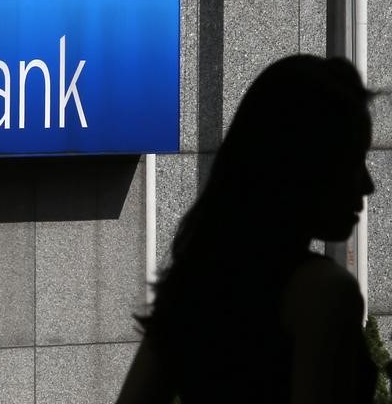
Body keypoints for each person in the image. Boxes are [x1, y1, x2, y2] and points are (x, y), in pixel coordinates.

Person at [116, 55, 378, 403]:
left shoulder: (196, 283)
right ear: (304, 165)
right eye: (351, 160)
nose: (368, 184)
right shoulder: (324, 294)